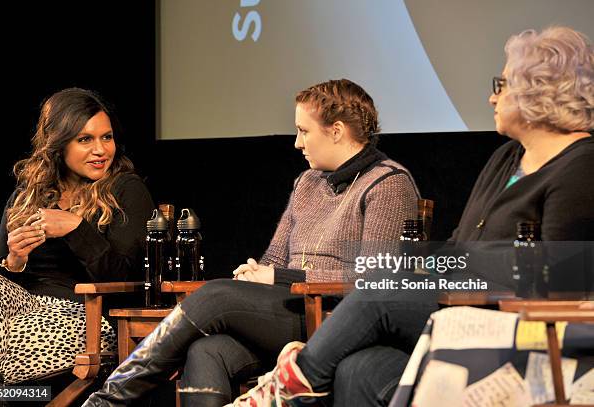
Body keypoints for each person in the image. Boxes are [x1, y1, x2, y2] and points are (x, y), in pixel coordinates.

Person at [229, 26, 594, 406]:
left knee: (379, 289)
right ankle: (299, 381)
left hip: (516, 327)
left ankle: (288, 385)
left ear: (541, 88)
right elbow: (460, 242)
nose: (492, 96)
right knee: (359, 365)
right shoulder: (507, 158)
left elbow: (557, 276)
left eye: (502, 84)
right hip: (460, 310)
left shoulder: (582, 167)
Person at [83, 78, 421, 406]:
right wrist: (258, 271)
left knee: (215, 294)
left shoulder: (389, 185)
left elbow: (374, 283)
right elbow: (275, 257)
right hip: (288, 310)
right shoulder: (308, 182)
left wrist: (279, 278)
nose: (297, 143)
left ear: (336, 131)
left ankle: (106, 401)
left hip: (336, 320)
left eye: (304, 131)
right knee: (207, 349)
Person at [0, 88, 155, 389]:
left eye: (107, 137)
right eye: (85, 140)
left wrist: (77, 229)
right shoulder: (27, 196)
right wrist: (14, 263)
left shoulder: (125, 190)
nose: (101, 150)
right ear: (58, 145)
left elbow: (128, 278)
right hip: (22, 315)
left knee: (3, 342)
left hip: (86, 321)